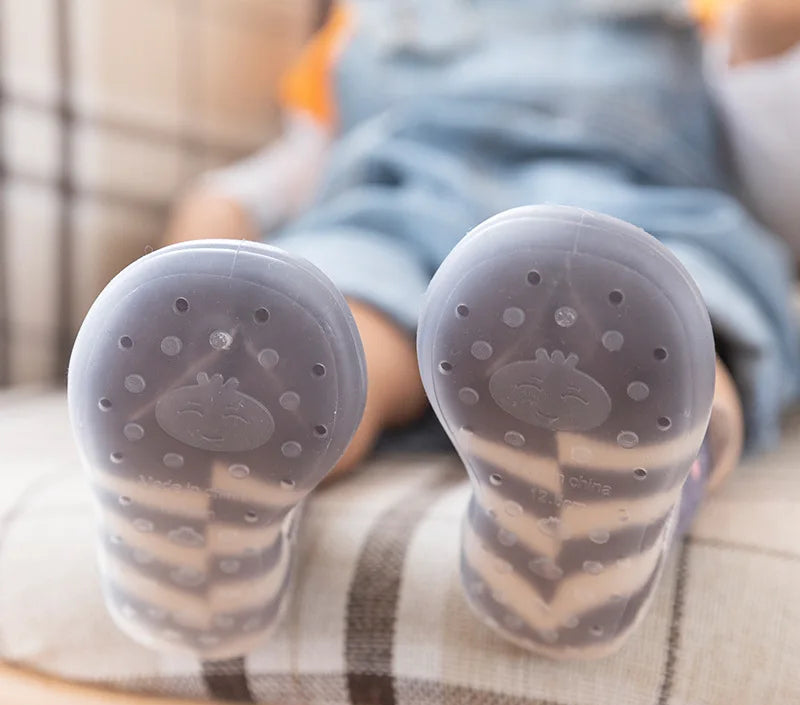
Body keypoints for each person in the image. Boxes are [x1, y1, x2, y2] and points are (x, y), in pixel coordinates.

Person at [68, 0, 800, 660]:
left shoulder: (699, 17)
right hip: (398, 207)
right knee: (324, 324)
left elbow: (778, 190)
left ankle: (630, 500)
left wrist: (763, 47)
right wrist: (214, 228)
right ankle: (214, 477)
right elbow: (293, 166)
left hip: (629, 221)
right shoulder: (357, 28)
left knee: (670, 318)